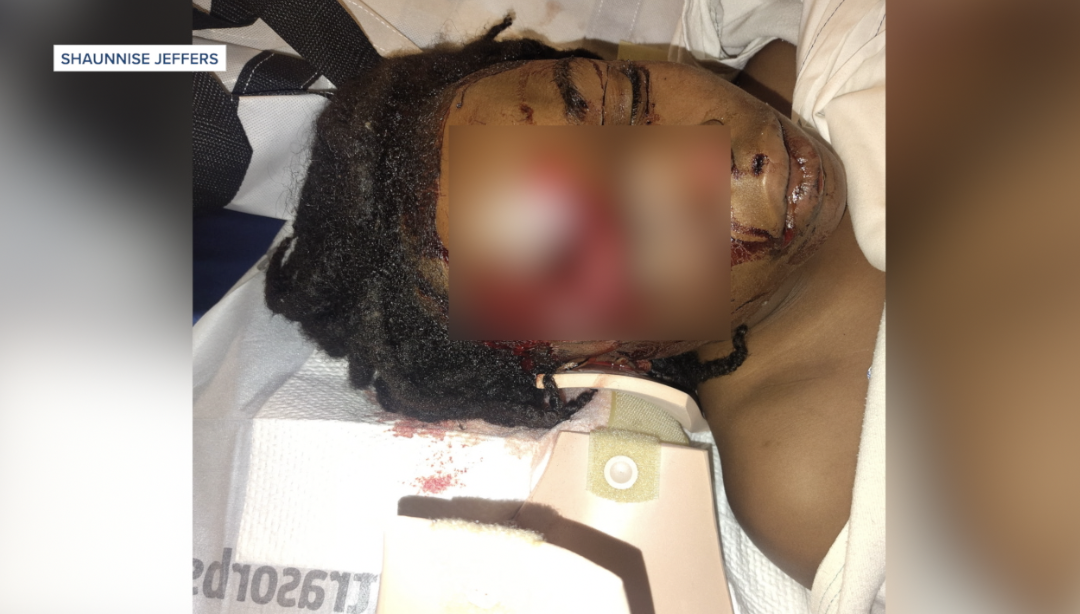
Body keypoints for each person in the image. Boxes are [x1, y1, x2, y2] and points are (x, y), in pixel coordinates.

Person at [262, 15, 884, 599]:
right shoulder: (817, 480)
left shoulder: (799, 52)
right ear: (603, 358)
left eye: (629, 104)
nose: (722, 163)